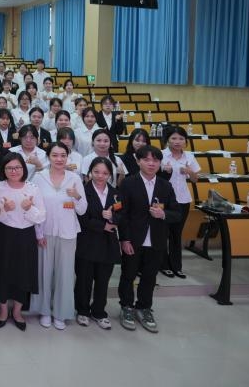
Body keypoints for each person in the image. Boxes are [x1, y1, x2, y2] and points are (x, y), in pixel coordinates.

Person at [117, 145, 180, 333]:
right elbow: (123, 215)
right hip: (133, 240)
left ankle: (144, 307)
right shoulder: (128, 183)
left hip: (157, 240)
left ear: (160, 163)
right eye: (146, 159)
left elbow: (177, 213)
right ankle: (126, 307)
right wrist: (124, 239)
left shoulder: (165, 186)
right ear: (138, 161)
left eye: (155, 160)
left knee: (150, 277)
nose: (151, 163)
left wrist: (163, 214)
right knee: (128, 275)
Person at [29, 143, 87, 330]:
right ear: (48, 157)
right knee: (44, 272)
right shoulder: (39, 178)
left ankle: (61, 313)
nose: (59, 159)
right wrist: (38, 233)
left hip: (68, 233)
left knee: (65, 274)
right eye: (55, 155)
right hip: (45, 233)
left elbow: (82, 210)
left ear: (68, 157)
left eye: (63, 155)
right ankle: (44, 311)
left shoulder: (74, 178)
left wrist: (77, 196)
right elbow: (33, 207)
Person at [0, 152, 45, 331]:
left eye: (17, 167)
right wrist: (4, 209)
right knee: (3, 272)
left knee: (24, 273)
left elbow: (41, 216)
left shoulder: (33, 188)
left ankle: (18, 311)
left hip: (26, 236)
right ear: (4, 170)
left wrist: (29, 209)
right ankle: (3, 310)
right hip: (4, 235)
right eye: (9, 168)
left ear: (24, 168)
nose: (14, 171)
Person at [75, 157, 121, 330]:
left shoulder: (116, 193)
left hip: (108, 243)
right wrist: (103, 225)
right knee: (84, 280)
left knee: (103, 280)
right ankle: (82, 310)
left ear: (110, 175)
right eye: (96, 172)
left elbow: (123, 215)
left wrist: (113, 218)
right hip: (87, 242)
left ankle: (99, 312)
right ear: (90, 172)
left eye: (105, 173)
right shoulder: (82, 191)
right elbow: (81, 217)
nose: (100, 176)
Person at [158, 126, 200, 279]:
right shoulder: (161, 155)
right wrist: (164, 171)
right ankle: (163, 265)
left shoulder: (189, 156)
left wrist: (189, 171)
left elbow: (195, 179)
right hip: (164, 201)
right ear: (167, 140)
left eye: (181, 138)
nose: (177, 141)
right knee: (163, 234)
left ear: (185, 141)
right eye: (174, 138)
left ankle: (176, 266)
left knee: (176, 234)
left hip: (182, 200)